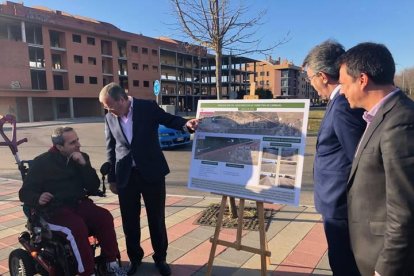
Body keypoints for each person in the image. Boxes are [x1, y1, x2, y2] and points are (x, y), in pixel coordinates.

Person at [98, 82, 199, 276]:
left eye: (110, 106)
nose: (108, 110)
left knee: (156, 219)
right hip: (126, 175)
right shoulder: (110, 117)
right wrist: (112, 178)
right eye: (106, 107)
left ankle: (160, 258)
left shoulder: (147, 107)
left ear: (122, 99)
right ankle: (135, 259)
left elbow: (168, 119)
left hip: (151, 172)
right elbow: (111, 148)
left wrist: (186, 125)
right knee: (129, 221)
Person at [338, 42, 414, 276]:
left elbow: (405, 208)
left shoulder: (401, 121)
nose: (341, 91)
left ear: (362, 79)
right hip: (369, 252)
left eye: (343, 84)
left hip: (386, 261)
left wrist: (386, 268)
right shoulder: (380, 116)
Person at [19, 127, 125, 276]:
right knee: (76, 227)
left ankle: (110, 264)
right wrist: (38, 197)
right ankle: (87, 272)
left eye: (77, 140)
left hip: (78, 204)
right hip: (53, 210)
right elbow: (24, 193)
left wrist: (83, 165)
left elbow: (93, 186)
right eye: (72, 142)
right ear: (59, 146)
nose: (78, 145)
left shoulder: (81, 157)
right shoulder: (42, 163)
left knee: (104, 216)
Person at [302, 40, 365, 276]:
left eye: (310, 78)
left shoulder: (342, 106)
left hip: (341, 205)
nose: (311, 83)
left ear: (322, 76)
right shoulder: (339, 102)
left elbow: (360, 159)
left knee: (343, 263)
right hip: (337, 202)